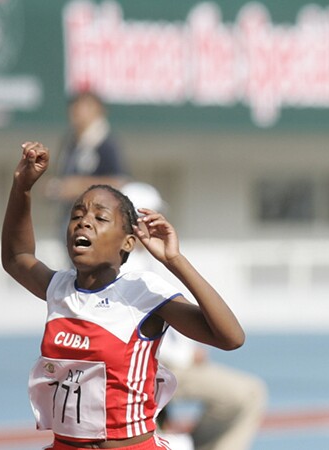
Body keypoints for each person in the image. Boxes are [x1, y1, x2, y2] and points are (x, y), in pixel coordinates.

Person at [1, 142, 245, 449]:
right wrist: (22, 188)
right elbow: (17, 256)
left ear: (128, 242)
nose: (84, 221)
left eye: (100, 218)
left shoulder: (143, 292)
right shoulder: (58, 287)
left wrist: (174, 261)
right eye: (77, 214)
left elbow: (230, 338)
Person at [120, 182, 268, 450]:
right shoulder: (130, 268)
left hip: (165, 366)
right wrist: (188, 355)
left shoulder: (142, 260)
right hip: (159, 368)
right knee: (248, 393)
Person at [47, 91, 129, 240]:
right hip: (70, 216)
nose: (77, 113)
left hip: (95, 222)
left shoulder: (105, 143)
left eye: (84, 107)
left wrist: (79, 186)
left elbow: (119, 182)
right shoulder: (70, 143)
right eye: (75, 108)